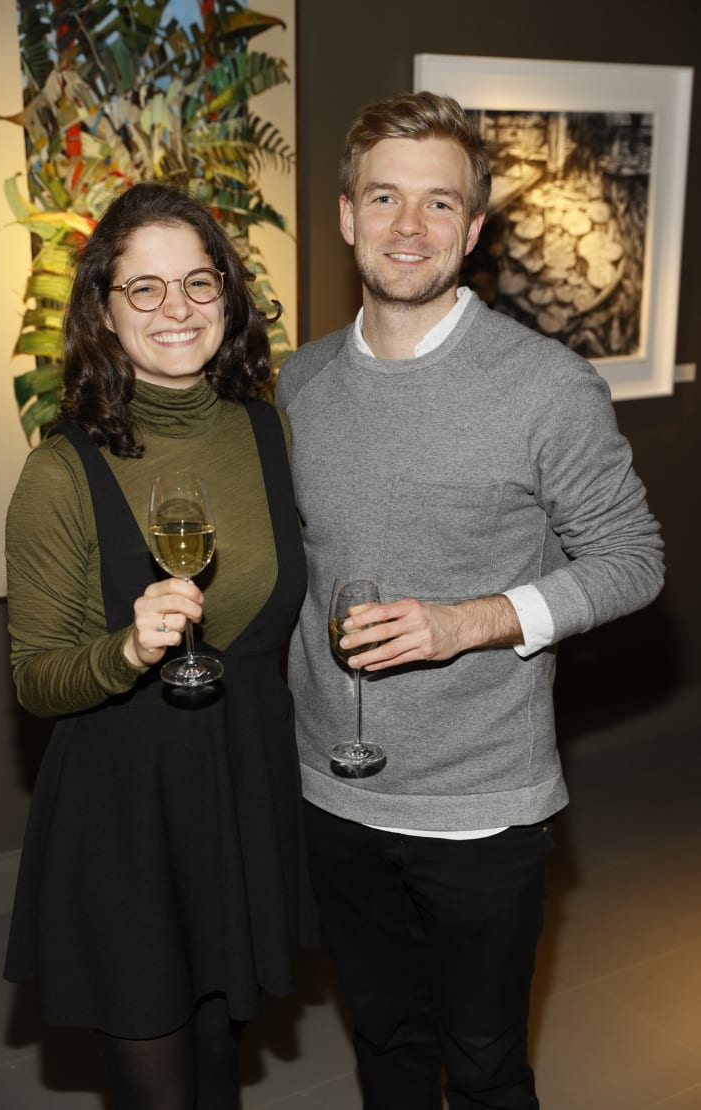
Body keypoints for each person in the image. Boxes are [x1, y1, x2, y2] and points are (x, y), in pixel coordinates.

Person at [276, 91, 664, 1110]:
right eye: (384, 198)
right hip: (330, 791)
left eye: (439, 203)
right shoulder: (298, 384)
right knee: (385, 1043)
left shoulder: (545, 387)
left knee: (486, 1064)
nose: (408, 226)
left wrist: (467, 623)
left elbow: (633, 560)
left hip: (481, 808)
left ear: (474, 226)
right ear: (347, 214)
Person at [4, 182, 310, 1109]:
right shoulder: (60, 473)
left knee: (221, 1060)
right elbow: (35, 679)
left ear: (227, 294)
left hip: (243, 788)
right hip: (127, 814)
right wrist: (125, 653)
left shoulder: (268, 428)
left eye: (197, 281)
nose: (176, 308)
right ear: (104, 309)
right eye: (145, 288)